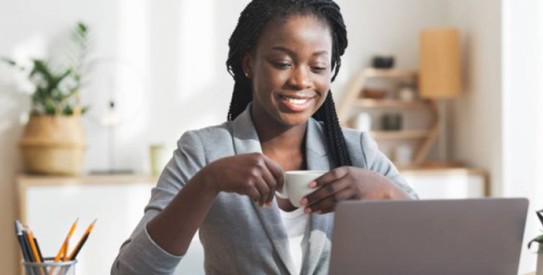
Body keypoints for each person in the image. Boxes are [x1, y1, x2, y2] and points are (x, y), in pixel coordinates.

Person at [112, 0, 417, 274]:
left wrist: (384, 191)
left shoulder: (357, 151)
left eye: (318, 66)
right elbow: (130, 271)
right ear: (249, 64)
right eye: (283, 63)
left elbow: (433, 245)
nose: (301, 80)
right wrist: (208, 182)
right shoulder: (204, 150)